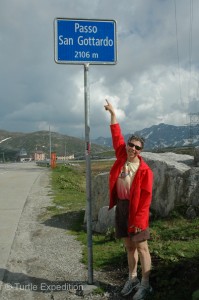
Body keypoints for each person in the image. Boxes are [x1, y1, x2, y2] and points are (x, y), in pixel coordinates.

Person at [104, 100, 153, 300]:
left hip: (137, 212)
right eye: (131, 145)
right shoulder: (120, 157)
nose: (132, 148)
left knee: (142, 247)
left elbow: (146, 199)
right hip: (122, 208)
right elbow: (116, 135)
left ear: (141, 151)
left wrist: (139, 221)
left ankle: (145, 284)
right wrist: (113, 113)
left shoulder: (144, 171)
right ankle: (132, 279)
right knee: (129, 247)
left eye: (137, 147)